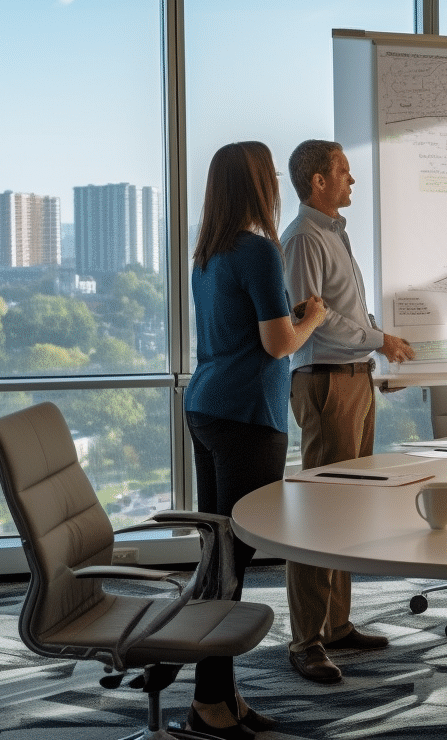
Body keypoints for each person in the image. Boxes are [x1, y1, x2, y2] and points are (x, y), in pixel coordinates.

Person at [186, 141, 327, 737]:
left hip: (207, 405)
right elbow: (277, 345)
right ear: (256, 185)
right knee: (232, 560)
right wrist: (312, 317)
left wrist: (286, 316)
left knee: (220, 555)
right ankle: (210, 701)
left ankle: (220, 697)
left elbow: (245, 330)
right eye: (269, 173)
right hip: (247, 412)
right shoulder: (259, 249)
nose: (275, 181)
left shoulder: (208, 252)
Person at [281, 139, 415, 683]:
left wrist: (375, 356)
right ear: (317, 181)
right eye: (343, 171)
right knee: (322, 511)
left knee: (348, 508)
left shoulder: (335, 234)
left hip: (352, 380)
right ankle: (305, 639)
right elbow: (315, 320)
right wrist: (378, 340)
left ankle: (335, 625)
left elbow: (348, 314)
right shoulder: (302, 240)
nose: (351, 180)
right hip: (327, 385)